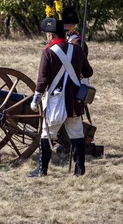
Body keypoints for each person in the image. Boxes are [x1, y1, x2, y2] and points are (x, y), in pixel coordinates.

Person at [29, 17, 93, 177]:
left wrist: (36, 98)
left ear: (51, 35)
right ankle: (80, 171)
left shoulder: (48, 52)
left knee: (47, 135)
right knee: (77, 135)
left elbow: (42, 80)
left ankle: (42, 170)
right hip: (74, 103)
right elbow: (88, 72)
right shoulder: (76, 49)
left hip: (56, 102)